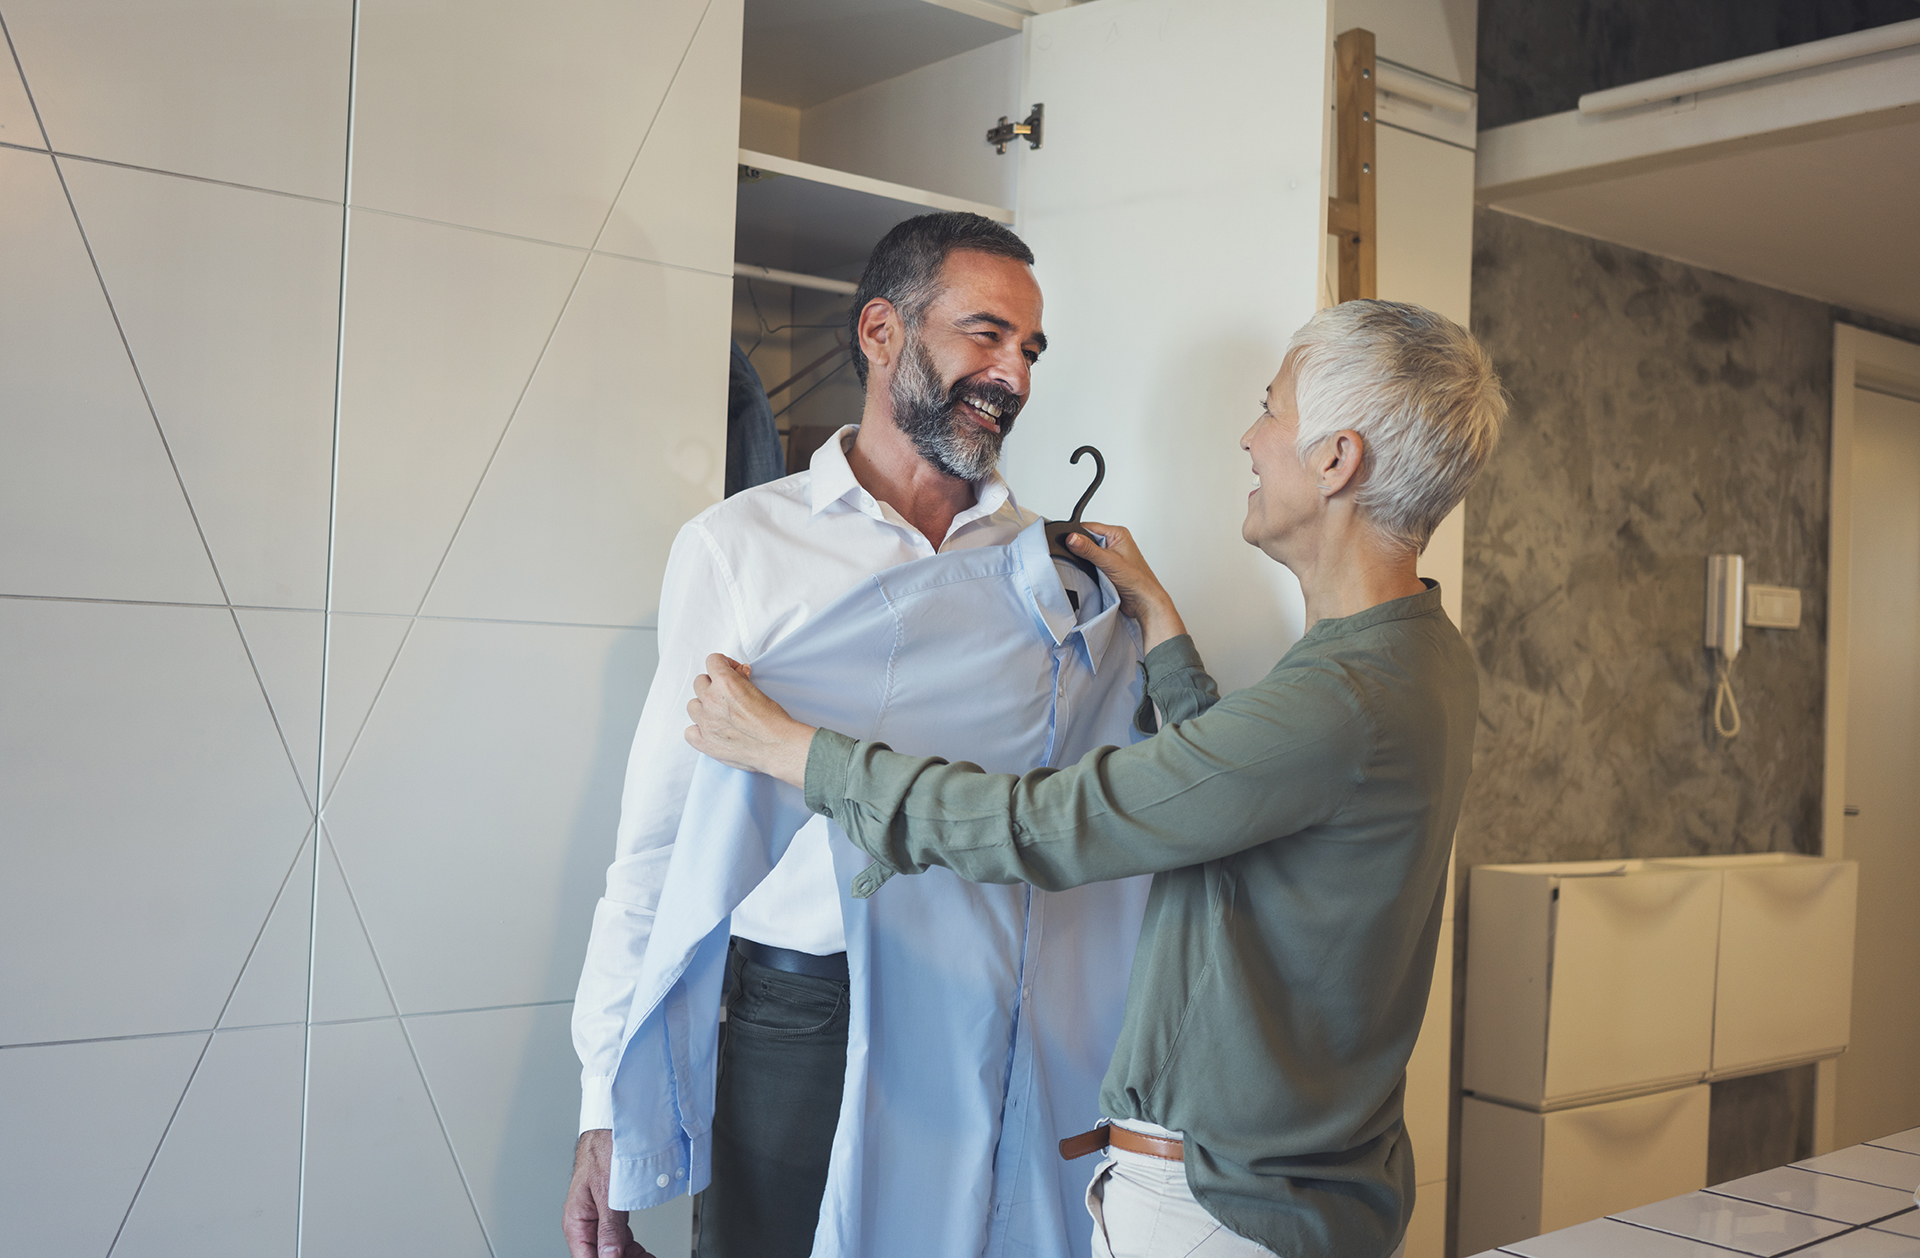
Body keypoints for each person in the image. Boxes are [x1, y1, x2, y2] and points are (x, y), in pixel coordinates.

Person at [684, 299, 1507, 1258]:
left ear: (1336, 460)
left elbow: (1044, 825)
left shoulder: (1345, 697)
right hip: (1303, 1187)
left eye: (1271, 409)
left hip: (1226, 1211)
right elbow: (1244, 799)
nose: (1251, 437)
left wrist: (796, 752)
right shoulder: (1419, 658)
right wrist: (1160, 625)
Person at [564, 211, 1048, 1258]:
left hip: (989, 1013)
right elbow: (656, 843)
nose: (1011, 373)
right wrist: (609, 1102)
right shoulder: (743, 547)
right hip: (798, 1018)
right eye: (985, 334)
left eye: (1028, 349)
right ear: (882, 332)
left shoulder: (1045, 570)